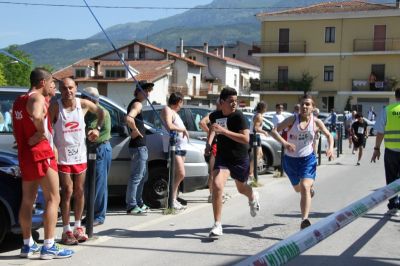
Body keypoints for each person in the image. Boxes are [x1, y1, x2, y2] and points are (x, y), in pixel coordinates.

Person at [13, 68, 73, 259]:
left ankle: (27, 244)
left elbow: (16, 128)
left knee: (27, 200)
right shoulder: (37, 98)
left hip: (26, 155)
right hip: (41, 153)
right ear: (42, 83)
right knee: (53, 198)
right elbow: (38, 116)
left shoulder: (18, 101)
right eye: (52, 84)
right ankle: (49, 245)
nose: (53, 87)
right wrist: (39, 134)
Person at [49, 78, 104, 245]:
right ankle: (66, 230)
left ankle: (78, 227)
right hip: (63, 156)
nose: (68, 91)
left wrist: (97, 128)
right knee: (67, 191)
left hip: (80, 155)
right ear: (60, 89)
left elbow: (102, 112)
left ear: (76, 88)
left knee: (80, 190)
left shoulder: (83, 104)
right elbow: (48, 127)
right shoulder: (55, 106)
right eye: (64, 88)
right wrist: (52, 148)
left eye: (71, 88)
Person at [269, 95, 334, 229]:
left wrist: (331, 148)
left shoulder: (316, 122)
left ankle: (304, 220)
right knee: (298, 188)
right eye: (303, 104)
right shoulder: (292, 120)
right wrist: (285, 143)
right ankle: (309, 190)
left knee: (304, 186)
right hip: (290, 160)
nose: (304, 107)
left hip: (307, 159)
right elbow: (273, 131)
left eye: (308, 104)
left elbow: (328, 135)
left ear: (313, 108)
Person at [207, 87, 260, 237]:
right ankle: (217, 224)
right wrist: (209, 144)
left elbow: (245, 138)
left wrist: (224, 132)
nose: (234, 104)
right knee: (217, 184)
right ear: (221, 102)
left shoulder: (239, 117)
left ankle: (252, 196)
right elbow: (213, 128)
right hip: (223, 157)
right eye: (231, 101)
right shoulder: (215, 115)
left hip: (239, 157)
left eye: (236, 101)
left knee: (241, 188)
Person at [82, 86, 112, 225]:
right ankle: (90, 214)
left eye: (83, 98)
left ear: (90, 99)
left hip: (99, 149)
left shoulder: (99, 113)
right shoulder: (88, 112)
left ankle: (98, 216)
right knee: (89, 184)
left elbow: (90, 132)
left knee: (98, 184)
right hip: (91, 150)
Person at [125, 81, 154, 214]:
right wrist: (135, 130)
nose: (148, 93)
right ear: (139, 91)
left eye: (149, 91)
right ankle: (131, 205)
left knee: (143, 176)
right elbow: (129, 118)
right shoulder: (137, 104)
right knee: (137, 176)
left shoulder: (137, 103)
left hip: (141, 147)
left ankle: (139, 202)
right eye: (146, 91)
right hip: (138, 147)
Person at [371, 88, 400, 217]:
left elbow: (380, 132)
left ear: (395, 96)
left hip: (391, 152)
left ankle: (393, 205)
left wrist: (376, 149)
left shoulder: (387, 110)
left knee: (391, 179)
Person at [161, 92, 189, 210]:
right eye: (181, 102)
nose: (181, 105)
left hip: (181, 148)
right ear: (179, 101)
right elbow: (169, 126)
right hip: (174, 148)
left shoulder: (175, 113)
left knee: (177, 175)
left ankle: (173, 199)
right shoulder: (167, 109)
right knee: (181, 173)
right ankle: (170, 199)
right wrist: (182, 129)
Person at [199, 98, 222, 203]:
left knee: (220, 171)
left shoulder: (223, 115)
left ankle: (217, 193)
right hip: (214, 145)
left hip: (221, 145)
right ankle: (212, 194)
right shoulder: (213, 115)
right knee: (213, 171)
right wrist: (210, 133)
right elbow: (202, 122)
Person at [249, 101, 268, 180]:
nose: (266, 109)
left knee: (260, 155)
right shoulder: (258, 116)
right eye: (265, 108)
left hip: (256, 136)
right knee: (257, 155)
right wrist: (264, 131)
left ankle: (251, 171)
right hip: (254, 136)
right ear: (263, 108)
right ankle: (250, 173)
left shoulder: (257, 115)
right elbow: (256, 128)